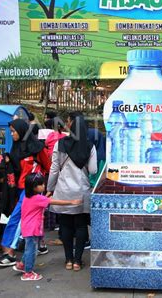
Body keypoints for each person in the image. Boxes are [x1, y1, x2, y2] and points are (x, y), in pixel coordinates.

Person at [0, 119, 51, 267]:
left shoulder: (38, 148)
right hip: (18, 188)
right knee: (34, 217)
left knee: (17, 219)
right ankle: (41, 244)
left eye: (13, 131)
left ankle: (10, 253)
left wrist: (45, 186)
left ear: (22, 131)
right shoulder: (15, 148)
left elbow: (48, 167)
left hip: (32, 189)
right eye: (10, 131)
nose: (11, 134)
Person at [47, 115, 97, 271]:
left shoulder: (60, 144)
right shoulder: (90, 146)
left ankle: (68, 260)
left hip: (63, 191)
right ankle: (77, 261)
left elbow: (54, 169)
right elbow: (93, 170)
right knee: (81, 226)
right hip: (81, 191)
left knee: (66, 225)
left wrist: (50, 188)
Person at [12, 173, 82, 281]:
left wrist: (47, 195)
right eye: (41, 184)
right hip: (33, 229)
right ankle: (28, 273)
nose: (44, 186)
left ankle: (22, 264)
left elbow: (42, 200)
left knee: (29, 249)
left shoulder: (27, 196)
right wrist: (72, 202)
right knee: (32, 251)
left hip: (27, 228)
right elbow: (54, 202)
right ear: (34, 187)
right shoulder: (38, 199)